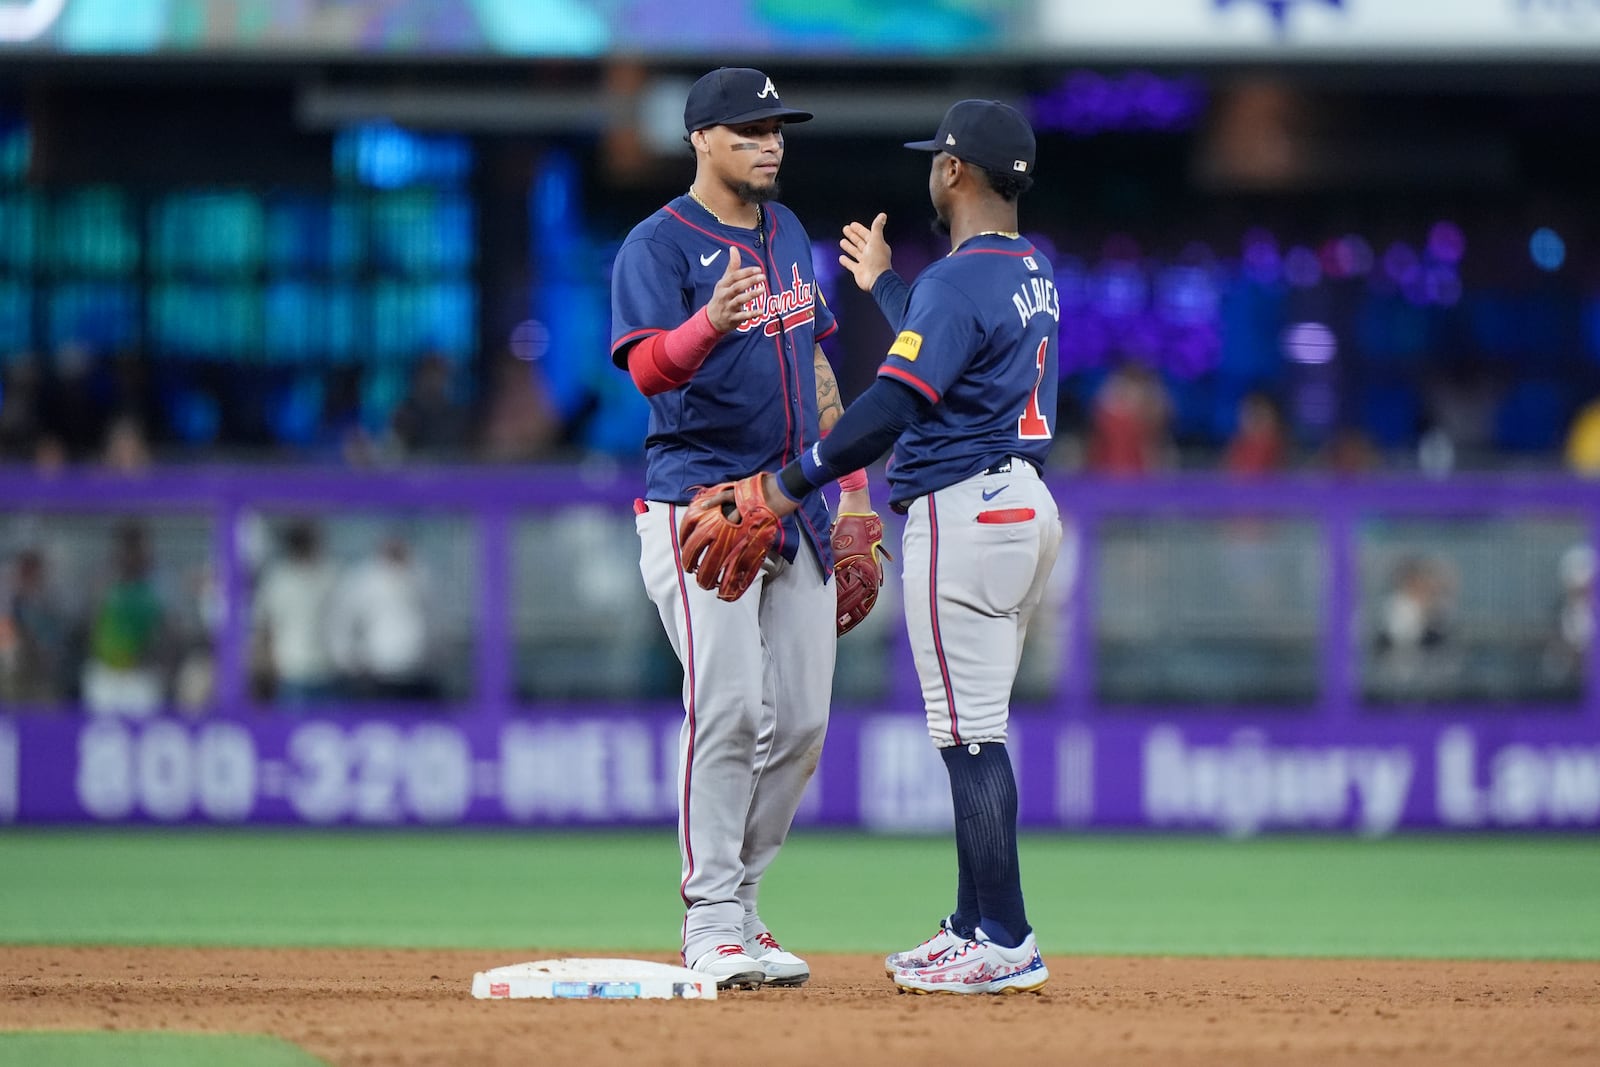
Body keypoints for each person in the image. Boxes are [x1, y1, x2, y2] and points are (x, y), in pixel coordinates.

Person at [741, 99, 1060, 994]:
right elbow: (956, 336)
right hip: (1024, 503)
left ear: (955, 172)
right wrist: (888, 286)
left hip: (963, 510)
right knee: (978, 728)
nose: (932, 168)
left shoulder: (959, 283)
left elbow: (892, 403)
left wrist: (793, 480)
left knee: (969, 737)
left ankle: (1003, 934)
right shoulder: (1028, 266)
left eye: (938, 158)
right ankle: (971, 922)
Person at [608, 67, 878, 989]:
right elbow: (645, 369)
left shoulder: (788, 230)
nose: (771, 143)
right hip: (699, 507)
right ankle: (710, 916)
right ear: (702, 139)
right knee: (730, 706)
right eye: (751, 130)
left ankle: (745, 909)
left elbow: (819, 368)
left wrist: (854, 497)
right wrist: (704, 325)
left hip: (796, 507)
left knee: (801, 720)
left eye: (778, 130)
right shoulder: (658, 243)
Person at [251, 520, 340, 708]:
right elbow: (265, 626)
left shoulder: (329, 575)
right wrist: (266, 665)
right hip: (292, 670)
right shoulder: (279, 580)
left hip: (326, 668)